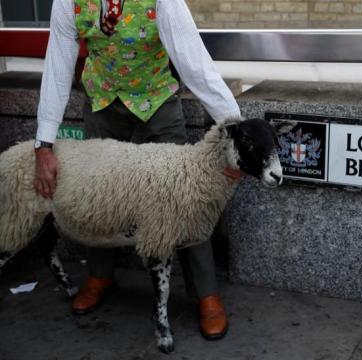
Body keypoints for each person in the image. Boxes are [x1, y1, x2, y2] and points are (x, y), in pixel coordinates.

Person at [33, 0, 241, 340]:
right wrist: (43, 143)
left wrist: (236, 133)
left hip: (156, 101)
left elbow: (195, 65)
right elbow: (58, 63)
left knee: (186, 198)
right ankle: (100, 275)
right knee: (99, 194)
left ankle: (205, 293)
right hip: (102, 101)